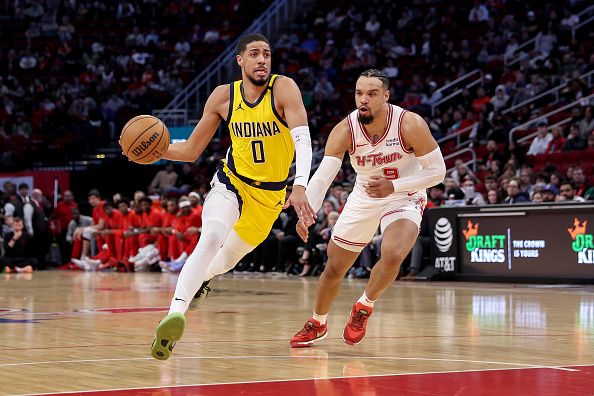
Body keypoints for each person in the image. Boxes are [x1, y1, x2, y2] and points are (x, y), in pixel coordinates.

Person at [147, 33, 315, 360]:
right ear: (240, 60)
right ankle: (174, 315)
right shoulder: (224, 97)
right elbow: (192, 149)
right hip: (232, 183)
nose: (262, 59)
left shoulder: (283, 88)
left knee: (221, 262)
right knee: (210, 238)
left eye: (266, 54)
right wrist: (157, 152)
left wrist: (300, 185)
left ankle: (200, 282)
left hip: (269, 198)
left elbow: (303, 141)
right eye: (254, 54)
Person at [289, 69, 445, 347]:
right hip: (364, 196)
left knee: (394, 253)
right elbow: (325, 175)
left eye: (372, 94)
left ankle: (364, 306)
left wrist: (393, 186)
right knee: (335, 267)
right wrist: (306, 211)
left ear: (386, 96)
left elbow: (438, 172)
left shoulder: (409, 124)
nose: (364, 99)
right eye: (360, 93)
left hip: (404, 192)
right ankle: (318, 322)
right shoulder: (345, 129)